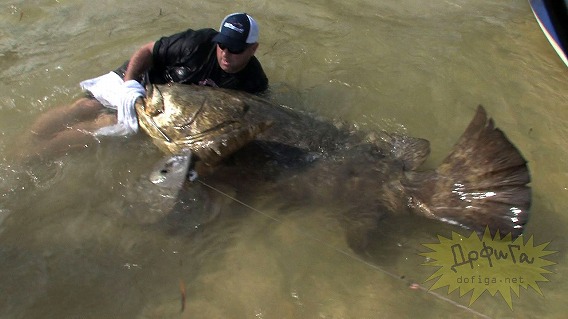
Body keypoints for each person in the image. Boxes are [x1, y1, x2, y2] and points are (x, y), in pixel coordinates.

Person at [21, 12, 268, 161]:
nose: (225, 54)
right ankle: (26, 144)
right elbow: (146, 51)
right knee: (85, 106)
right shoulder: (196, 42)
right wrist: (129, 84)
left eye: (235, 49)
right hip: (139, 78)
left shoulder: (253, 82)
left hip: (164, 107)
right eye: (222, 45)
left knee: (107, 123)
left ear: (253, 48)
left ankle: (34, 156)